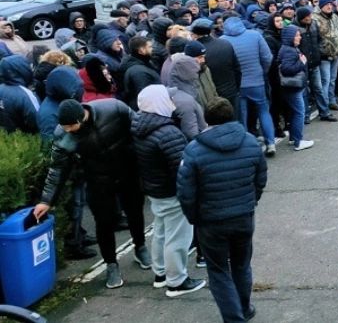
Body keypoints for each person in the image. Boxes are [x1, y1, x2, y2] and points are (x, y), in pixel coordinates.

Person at [34, 99, 149, 289]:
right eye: (65, 126)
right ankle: (111, 264)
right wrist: (46, 200)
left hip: (127, 172)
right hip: (98, 180)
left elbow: (140, 132)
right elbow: (57, 169)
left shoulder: (114, 108)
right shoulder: (63, 134)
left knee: (135, 211)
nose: (68, 130)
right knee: (104, 222)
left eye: (71, 126)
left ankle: (140, 246)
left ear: (82, 117)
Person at [178, 98, 267, 323]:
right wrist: (250, 202)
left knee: (218, 271)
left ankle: (234, 318)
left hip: (211, 222)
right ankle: (245, 308)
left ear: (207, 120)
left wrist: (194, 218)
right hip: (243, 217)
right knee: (241, 264)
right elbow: (260, 179)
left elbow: (186, 192)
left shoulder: (193, 150)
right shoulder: (250, 142)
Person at [131, 85, 207, 297]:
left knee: (162, 232)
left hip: (155, 190)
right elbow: (182, 168)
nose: (172, 102)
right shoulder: (168, 133)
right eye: (168, 98)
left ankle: (161, 274)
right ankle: (176, 282)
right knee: (178, 238)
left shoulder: (139, 126)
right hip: (172, 192)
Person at [221, 16, 275, 151]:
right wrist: (263, 71)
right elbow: (267, 57)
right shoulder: (255, 35)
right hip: (257, 81)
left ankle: (246, 148)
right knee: (263, 111)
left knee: (242, 116)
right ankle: (271, 143)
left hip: (238, 85)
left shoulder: (222, 41)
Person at [278, 25, 315, 151]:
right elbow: (286, 69)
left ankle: (294, 138)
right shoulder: (289, 50)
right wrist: (302, 62)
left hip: (291, 88)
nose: (299, 37)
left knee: (294, 113)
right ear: (290, 37)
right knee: (299, 113)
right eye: (297, 35)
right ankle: (298, 142)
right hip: (293, 88)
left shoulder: (289, 48)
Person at [0, 55, 39, 133]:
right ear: (22, 69)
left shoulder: (1, 88)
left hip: (6, 138)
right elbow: (37, 121)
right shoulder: (25, 95)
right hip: (25, 138)